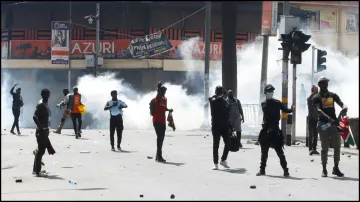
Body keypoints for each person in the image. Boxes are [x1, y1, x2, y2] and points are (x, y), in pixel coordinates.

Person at [312, 76, 347, 177]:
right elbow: (319, 110)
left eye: (326, 83)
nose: (325, 85)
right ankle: (324, 169)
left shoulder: (332, 95)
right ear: (319, 85)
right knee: (324, 147)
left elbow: (341, 103)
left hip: (334, 124)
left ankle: (336, 168)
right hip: (323, 124)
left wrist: (344, 107)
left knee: (337, 146)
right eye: (322, 83)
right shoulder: (316, 97)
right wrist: (328, 119)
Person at [257, 84, 294, 177]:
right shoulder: (263, 104)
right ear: (265, 93)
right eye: (268, 91)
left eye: (271, 91)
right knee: (264, 153)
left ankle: (286, 170)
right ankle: (262, 170)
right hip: (265, 130)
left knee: (280, 152)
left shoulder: (277, 103)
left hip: (275, 131)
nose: (270, 93)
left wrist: (291, 109)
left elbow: (286, 110)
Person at [32, 89, 55, 177]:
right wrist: (40, 127)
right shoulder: (41, 104)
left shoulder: (45, 104)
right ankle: (38, 171)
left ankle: (35, 170)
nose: (47, 96)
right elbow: (34, 116)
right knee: (41, 151)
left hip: (45, 130)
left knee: (40, 150)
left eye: (48, 94)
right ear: (42, 95)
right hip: (41, 131)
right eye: (45, 94)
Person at [209, 86, 232, 170]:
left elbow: (228, 115)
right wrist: (222, 96)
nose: (219, 93)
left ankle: (223, 160)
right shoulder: (212, 100)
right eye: (218, 91)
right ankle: (215, 163)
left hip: (225, 126)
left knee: (228, 143)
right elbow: (215, 99)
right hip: (216, 126)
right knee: (216, 145)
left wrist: (230, 126)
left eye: (221, 91)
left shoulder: (225, 101)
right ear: (216, 92)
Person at [152, 82, 173, 163]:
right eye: (163, 91)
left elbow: (163, 108)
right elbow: (158, 95)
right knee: (160, 138)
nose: (164, 92)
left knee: (161, 138)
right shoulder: (158, 98)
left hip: (162, 121)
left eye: (165, 91)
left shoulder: (164, 99)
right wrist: (158, 87)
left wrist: (169, 110)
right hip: (157, 121)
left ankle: (158, 156)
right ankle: (159, 156)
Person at [307, 85, 320, 155]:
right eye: (315, 91)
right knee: (311, 135)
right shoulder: (310, 100)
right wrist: (314, 92)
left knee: (315, 135)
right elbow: (309, 98)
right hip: (311, 119)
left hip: (317, 119)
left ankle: (314, 149)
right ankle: (310, 149)